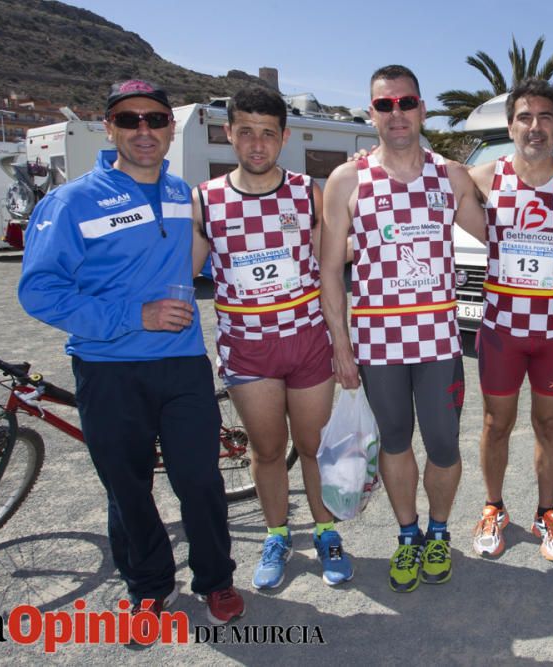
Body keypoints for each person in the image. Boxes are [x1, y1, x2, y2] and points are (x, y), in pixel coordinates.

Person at [18, 79, 244, 627]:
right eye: (129, 119)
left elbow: (214, 258)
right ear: (109, 127)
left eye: (156, 119)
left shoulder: (185, 195)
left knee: (201, 480)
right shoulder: (71, 200)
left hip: (184, 364)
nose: (144, 130)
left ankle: (216, 579)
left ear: (171, 128)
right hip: (109, 369)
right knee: (128, 487)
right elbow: (39, 289)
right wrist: (130, 317)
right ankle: (148, 583)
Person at [320, 64, 485, 593]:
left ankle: (439, 532)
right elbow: (329, 270)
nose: (396, 114)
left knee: (442, 445)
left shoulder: (452, 175)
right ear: (371, 113)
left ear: (422, 108)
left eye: (405, 102)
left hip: (438, 341)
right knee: (394, 442)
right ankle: (408, 535)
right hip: (376, 342)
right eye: (384, 105)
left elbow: (501, 231)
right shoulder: (347, 179)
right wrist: (340, 346)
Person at [191, 87, 353, 591]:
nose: (257, 144)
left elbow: (330, 267)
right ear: (228, 134)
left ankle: (326, 531)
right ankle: (277, 534)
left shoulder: (307, 192)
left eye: (267, 133)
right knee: (266, 451)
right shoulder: (206, 198)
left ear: (283, 137)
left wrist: (342, 342)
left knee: (314, 446)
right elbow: (180, 276)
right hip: (249, 348)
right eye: (246, 132)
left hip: (306, 341)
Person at [466, 78, 553, 561]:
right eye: (525, 117)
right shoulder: (482, 178)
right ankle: (493, 506)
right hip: (502, 332)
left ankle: (546, 512)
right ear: (510, 126)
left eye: (545, 117)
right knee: (495, 423)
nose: (535, 126)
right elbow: (416, 176)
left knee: (549, 426)